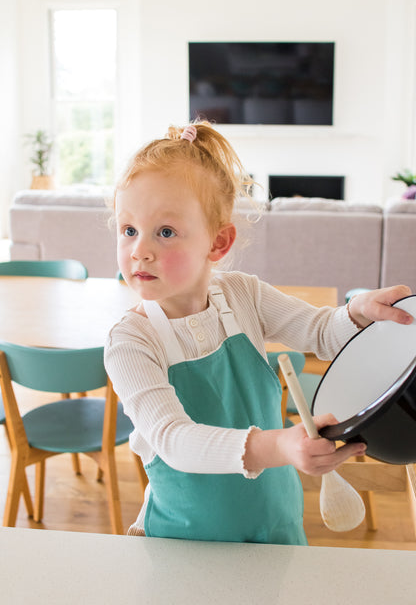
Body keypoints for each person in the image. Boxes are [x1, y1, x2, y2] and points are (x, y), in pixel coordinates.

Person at [104, 121, 413, 544]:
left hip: (275, 523)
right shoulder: (131, 342)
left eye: (166, 232)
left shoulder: (243, 295)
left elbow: (321, 331)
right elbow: (173, 440)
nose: (139, 249)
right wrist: (281, 448)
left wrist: (356, 315)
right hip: (185, 543)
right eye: (128, 230)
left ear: (218, 243)